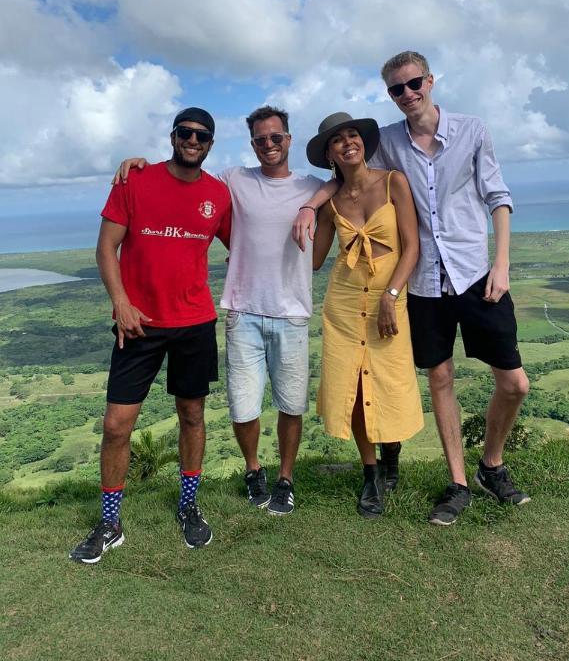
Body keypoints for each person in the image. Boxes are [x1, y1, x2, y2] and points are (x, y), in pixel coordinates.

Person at [294, 52, 531, 526]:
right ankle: (459, 482)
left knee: (514, 382)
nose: (408, 94)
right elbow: (345, 174)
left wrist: (501, 264)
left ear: (430, 80)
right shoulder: (388, 143)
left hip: (473, 271)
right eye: (397, 89)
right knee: (439, 379)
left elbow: (498, 197)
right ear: (390, 95)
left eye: (414, 83)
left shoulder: (472, 130)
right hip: (424, 286)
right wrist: (311, 205)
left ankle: (492, 464)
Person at [114, 106, 323, 516]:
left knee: (291, 406)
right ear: (252, 144)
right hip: (242, 311)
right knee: (243, 407)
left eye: (276, 138)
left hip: (292, 312)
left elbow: (337, 184)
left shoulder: (311, 186)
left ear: (289, 140)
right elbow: (185, 175)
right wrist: (134, 163)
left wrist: (311, 205)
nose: (268, 145)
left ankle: (286, 478)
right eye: (261, 139)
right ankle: (252, 469)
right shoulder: (233, 180)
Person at [69, 107, 231, 564]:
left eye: (201, 135)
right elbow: (106, 247)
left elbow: (244, 242)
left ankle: (188, 505)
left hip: (194, 323)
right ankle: (110, 520)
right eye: (185, 132)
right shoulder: (134, 181)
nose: (193, 140)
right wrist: (119, 301)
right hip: (137, 323)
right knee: (116, 425)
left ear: (211, 143)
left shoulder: (218, 195)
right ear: (173, 135)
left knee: (192, 414)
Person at [307, 112, 424, 518]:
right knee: (352, 388)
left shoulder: (394, 183)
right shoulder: (332, 202)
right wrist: (309, 208)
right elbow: (316, 260)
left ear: (363, 142)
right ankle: (371, 473)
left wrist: (391, 295)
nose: (347, 143)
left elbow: (412, 248)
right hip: (343, 303)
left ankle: (391, 450)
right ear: (329, 155)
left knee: (389, 381)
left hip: (387, 299)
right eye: (336, 141)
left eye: (352, 135)